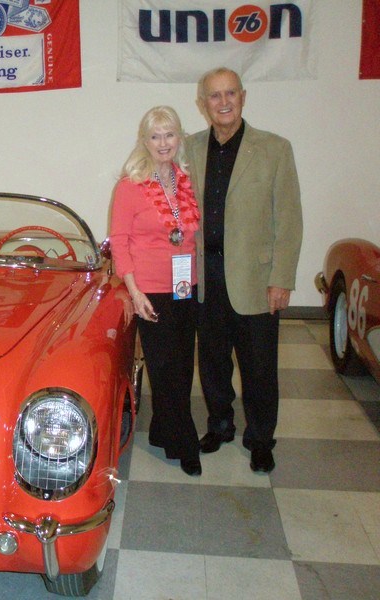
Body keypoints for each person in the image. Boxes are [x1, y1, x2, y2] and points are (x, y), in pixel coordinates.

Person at [186, 67, 303, 473]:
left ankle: (260, 438)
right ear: (203, 104)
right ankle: (220, 426)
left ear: (243, 97)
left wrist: (281, 278)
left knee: (259, 367)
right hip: (207, 279)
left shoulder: (274, 149)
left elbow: (288, 220)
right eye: (214, 96)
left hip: (255, 280)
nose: (223, 102)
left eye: (230, 93)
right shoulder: (189, 149)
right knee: (214, 363)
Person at [109, 106, 202, 476]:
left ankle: (164, 430)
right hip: (150, 289)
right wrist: (134, 291)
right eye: (155, 136)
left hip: (184, 284)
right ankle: (186, 442)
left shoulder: (187, 179)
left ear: (179, 138)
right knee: (164, 367)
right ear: (144, 141)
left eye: (170, 135)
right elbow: (119, 241)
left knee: (182, 364)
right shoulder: (129, 185)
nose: (163, 143)